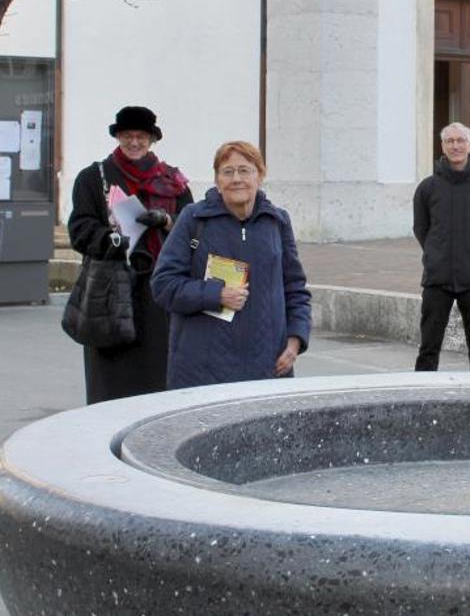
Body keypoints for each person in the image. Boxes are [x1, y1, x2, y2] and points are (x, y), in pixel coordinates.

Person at [152, 141, 311, 389]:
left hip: (267, 367)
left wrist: (295, 341)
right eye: (227, 172)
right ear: (217, 180)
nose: (236, 178)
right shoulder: (194, 219)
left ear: (260, 176)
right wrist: (216, 294)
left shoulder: (277, 222)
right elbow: (163, 285)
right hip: (203, 371)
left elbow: (295, 289)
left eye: (245, 170)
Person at [68, 106, 193, 404]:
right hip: (111, 288)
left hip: (159, 291)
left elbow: (193, 231)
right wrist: (112, 238)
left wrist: (166, 221)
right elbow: (80, 228)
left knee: (158, 375)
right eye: (127, 136)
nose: (134, 142)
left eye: (140, 136)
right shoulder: (92, 177)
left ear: (151, 139)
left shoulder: (174, 182)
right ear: (118, 137)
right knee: (112, 379)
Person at [412, 122, 470, 371]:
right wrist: (436, 253)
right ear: (442, 146)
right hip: (437, 278)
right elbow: (421, 229)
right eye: (450, 141)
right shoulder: (427, 188)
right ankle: (423, 399)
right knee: (428, 349)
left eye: (460, 140)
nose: (455, 146)